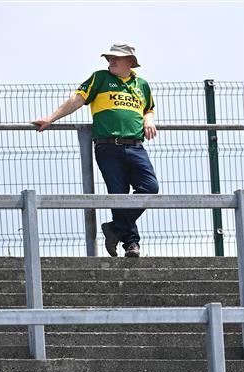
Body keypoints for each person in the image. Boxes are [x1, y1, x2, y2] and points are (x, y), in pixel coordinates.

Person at [32, 43, 159, 258]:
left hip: (136, 146)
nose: (111, 61)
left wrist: (148, 119)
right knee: (118, 196)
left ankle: (115, 229)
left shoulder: (142, 84)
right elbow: (77, 99)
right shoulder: (100, 78)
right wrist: (51, 118)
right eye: (109, 58)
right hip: (108, 147)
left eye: (116, 58)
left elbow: (149, 108)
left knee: (150, 188)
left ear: (129, 62)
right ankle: (131, 244)